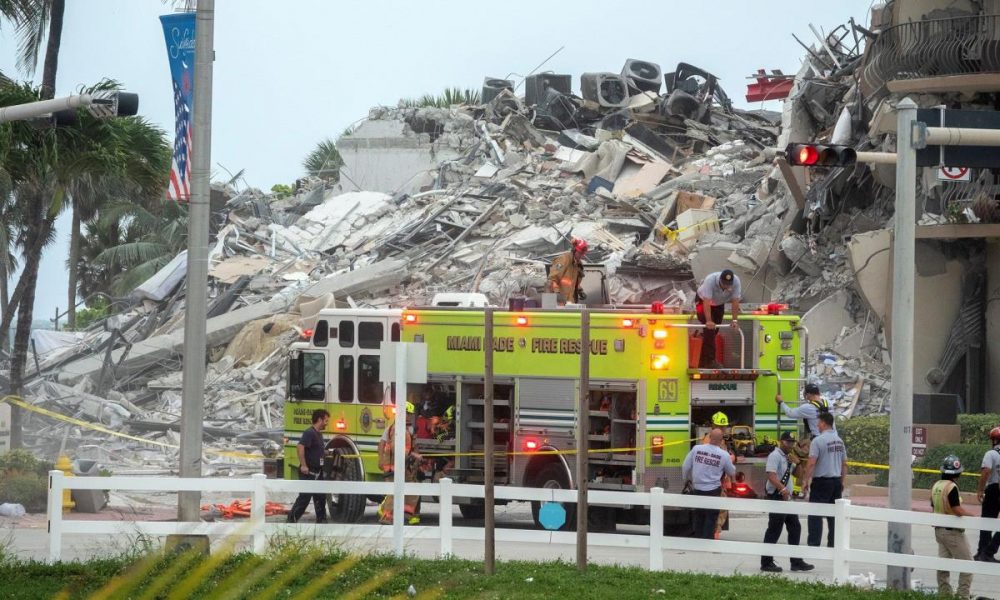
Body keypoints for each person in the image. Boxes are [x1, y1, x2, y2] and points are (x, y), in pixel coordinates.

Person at [761, 431, 814, 573]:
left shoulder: (788, 457)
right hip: (777, 496)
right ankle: (766, 562)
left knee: (795, 527)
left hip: (786, 498)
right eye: (787, 442)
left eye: (792, 442)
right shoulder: (775, 456)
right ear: (781, 441)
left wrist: (798, 464)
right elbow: (771, 476)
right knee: (774, 529)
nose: (790, 445)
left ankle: (795, 561)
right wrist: (783, 489)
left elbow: (798, 475)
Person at [802, 412, 847, 548]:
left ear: (823, 423)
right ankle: (833, 544)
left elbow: (811, 463)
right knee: (834, 515)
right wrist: (842, 481)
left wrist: (805, 481)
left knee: (815, 514)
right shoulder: (839, 441)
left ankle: (814, 544)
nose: (817, 425)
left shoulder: (818, 441)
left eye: (818, 422)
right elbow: (845, 464)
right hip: (836, 482)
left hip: (821, 482)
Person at [932, 454, 974, 599]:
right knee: (968, 565)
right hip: (953, 533)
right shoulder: (952, 487)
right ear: (958, 473)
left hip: (939, 531)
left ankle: (944, 594)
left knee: (943, 564)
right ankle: (963, 596)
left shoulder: (936, 485)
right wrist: (972, 517)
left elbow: (933, 505)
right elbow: (956, 509)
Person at [682, 428, 736, 539]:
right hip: (713, 490)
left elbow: (685, 467)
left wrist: (686, 481)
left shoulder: (696, 449)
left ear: (709, 437)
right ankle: (707, 541)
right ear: (721, 441)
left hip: (697, 489)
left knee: (698, 516)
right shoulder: (724, 455)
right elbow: (731, 471)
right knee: (711, 518)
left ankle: (698, 538)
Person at [377, 401, 421, 525]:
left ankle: (404, 515)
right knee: (394, 493)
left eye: (411, 414)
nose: (411, 416)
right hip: (394, 468)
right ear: (404, 413)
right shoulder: (396, 428)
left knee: (412, 489)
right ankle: (387, 516)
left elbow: (409, 446)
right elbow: (397, 448)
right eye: (409, 413)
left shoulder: (405, 429)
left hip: (402, 467)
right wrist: (414, 455)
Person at [287, 409, 329, 524]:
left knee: (320, 498)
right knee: (304, 498)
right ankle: (291, 521)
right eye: (326, 420)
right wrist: (304, 465)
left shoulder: (319, 434)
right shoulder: (309, 433)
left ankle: (322, 522)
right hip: (308, 472)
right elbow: (300, 447)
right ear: (319, 419)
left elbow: (315, 450)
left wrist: (325, 453)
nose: (327, 423)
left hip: (318, 472)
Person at [694, 269, 742, 368]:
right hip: (703, 301)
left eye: (728, 284)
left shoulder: (736, 282)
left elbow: (735, 301)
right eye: (724, 284)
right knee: (709, 329)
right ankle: (710, 361)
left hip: (719, 304)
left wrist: (734, 321)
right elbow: (707, 302)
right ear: (720, 280)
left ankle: (702, 359)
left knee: (714, 331)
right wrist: (708, 320)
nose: (726, 286)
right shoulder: (710, 280)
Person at [975, 426, 1000, 562]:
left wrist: (980, 489)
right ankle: (988, 552)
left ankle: (983, 551)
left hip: (992, 488)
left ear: (994, 440)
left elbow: (985, 472)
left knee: (986, 521)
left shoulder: (991, 454)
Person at [548, 238, 588, 304]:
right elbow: (552, 279)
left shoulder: (577, 264)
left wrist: (580, 291)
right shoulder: (564, 259)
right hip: (559, 301)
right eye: (580, 253)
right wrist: (557, 293)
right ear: (574, 250)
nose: (582, 256)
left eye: (583, 254)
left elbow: (573, 282)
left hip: (569, 301)